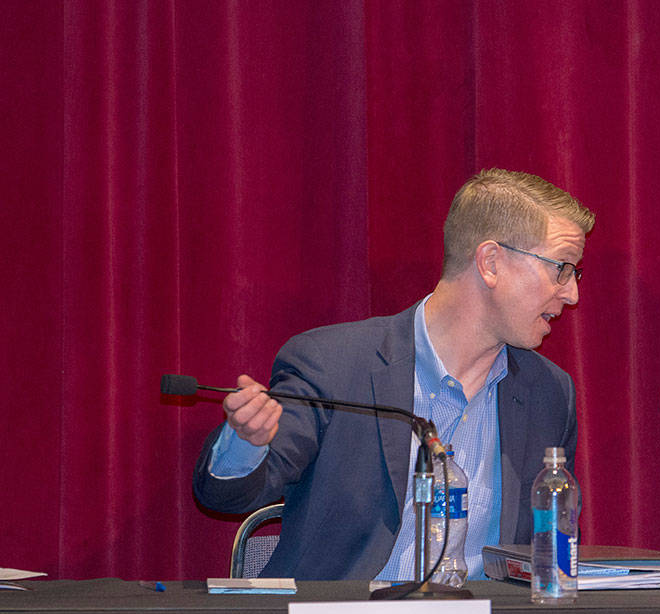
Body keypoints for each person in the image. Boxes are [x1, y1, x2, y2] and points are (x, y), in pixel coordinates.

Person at [193, 168, 594, 581]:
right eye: (561, 268)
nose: (571, 293)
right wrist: (246, 442)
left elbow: (552, 552)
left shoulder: (549, 392)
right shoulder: (336, 366)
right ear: (490, 263)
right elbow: (227, 495)